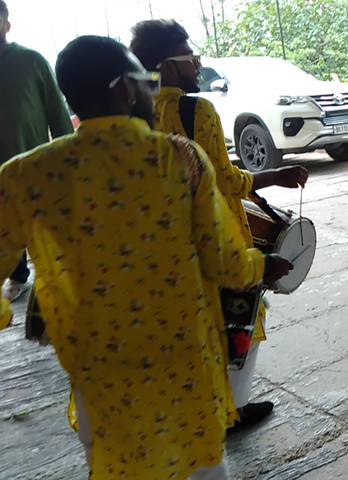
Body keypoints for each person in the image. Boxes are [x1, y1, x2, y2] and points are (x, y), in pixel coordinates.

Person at [0, 35, 293, 479]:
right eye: (145, 81)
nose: (151, 91)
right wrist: (263, 265)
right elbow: (225, 262)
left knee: (119, 462)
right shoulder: (179, 160)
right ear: (125, 88)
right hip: (183, 366)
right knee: (201, 467)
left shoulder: (25, 173)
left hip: (99, 370)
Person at [129, 19, 309, 433]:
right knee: (239, 316)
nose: (197, 63)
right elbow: (223, 179)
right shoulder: (197, 109)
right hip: (211, 230)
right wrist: (273, 176)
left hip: (159, 238)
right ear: (168, 66)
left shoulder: (136, 107)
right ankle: (232, 408)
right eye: (190, 57)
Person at [0, 0, 74, 302]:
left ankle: (58, 279)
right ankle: (18, 275)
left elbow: (57, 114)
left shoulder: (31, 61)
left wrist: (69, 160)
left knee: (45, 229)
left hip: (34, 167)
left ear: (6, 25)